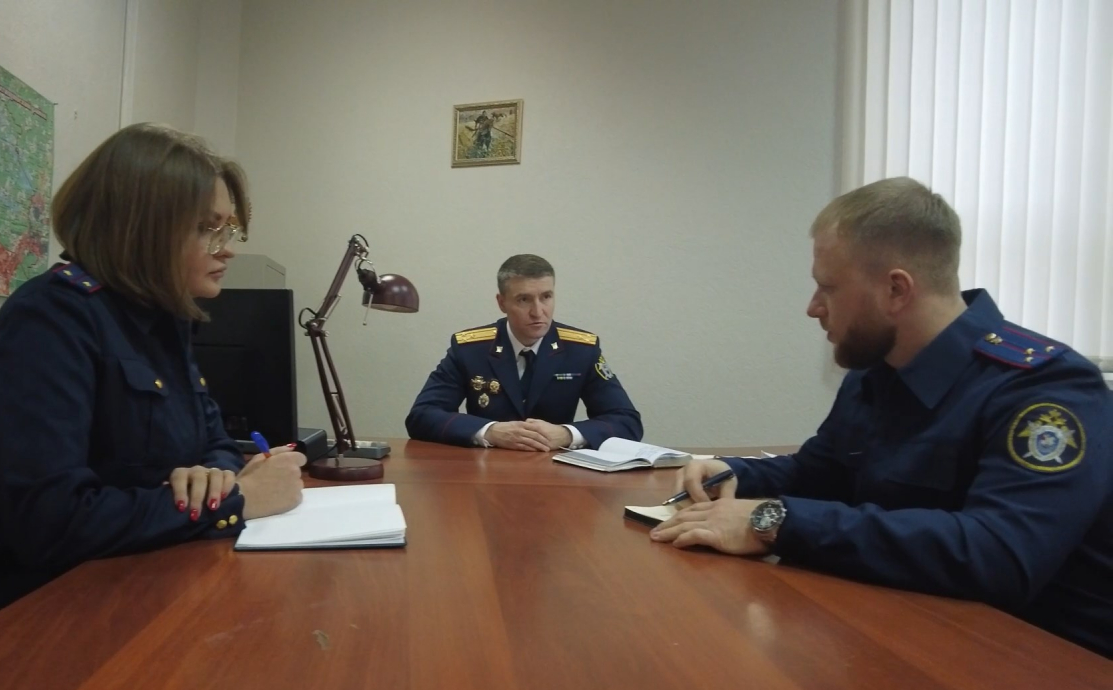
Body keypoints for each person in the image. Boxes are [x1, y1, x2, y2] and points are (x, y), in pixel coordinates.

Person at [650, 177, 1112, 658]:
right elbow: (822, 473)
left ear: (895, 289)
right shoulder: (879, 369)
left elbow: (999, 554)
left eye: (828, 287)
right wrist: (735, 474)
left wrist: (774, 522)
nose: (813, 308)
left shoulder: (1044, 391)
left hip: (1044, 661)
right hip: (912, 628)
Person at [0, 124, 306, 658]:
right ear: (142, 228)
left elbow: (212, 439)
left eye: (227, 230)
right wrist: (236, 500)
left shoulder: (167, 325)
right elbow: (52, 521)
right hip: (2, 625)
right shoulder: (51, 318)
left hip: (114, 593)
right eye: (207, 228)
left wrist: (213, 475)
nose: (225, 250)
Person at [406, 254, 642, 451]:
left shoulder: (581, 350)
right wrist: (490, 431)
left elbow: (627, 421)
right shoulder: (470, 349)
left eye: (546, 297)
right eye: (524, 300)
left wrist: (566, 434)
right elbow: (422, 415)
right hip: (486, 472)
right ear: (502, 303)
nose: (538, 312)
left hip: (557, 474)